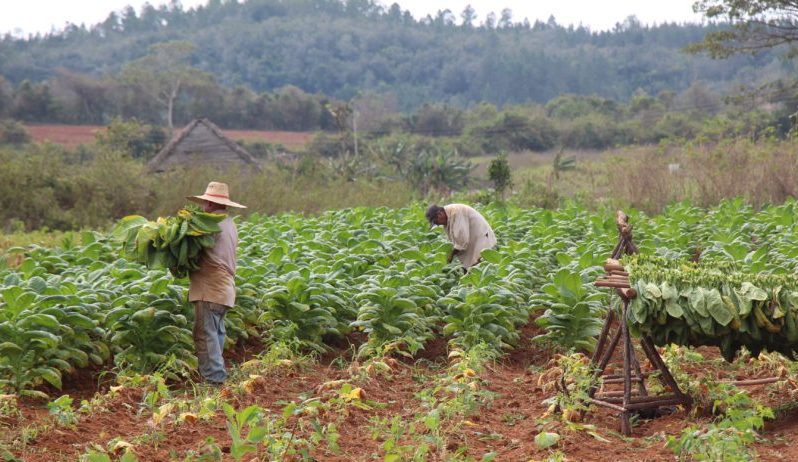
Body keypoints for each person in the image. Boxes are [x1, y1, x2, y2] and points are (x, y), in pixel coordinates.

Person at [186, 181, 246, 385]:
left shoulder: (209, 224)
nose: (203, 206)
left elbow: (192, 252)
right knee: (216, 334)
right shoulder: (229, 223)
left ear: (210, 204)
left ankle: (215, 381)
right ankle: (217, 379)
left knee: (205, 335)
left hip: (210, 289)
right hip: (225, 289)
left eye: (205, 203)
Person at [426, 203, 496, 269]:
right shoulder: (448, 215)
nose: (438, 225)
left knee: (479, 265)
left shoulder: (456, 213)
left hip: (482, 237)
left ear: (440, 214)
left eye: (436, 222)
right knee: (471, 268)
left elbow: (462, 241)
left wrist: (451, 255)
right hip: (473, 239)